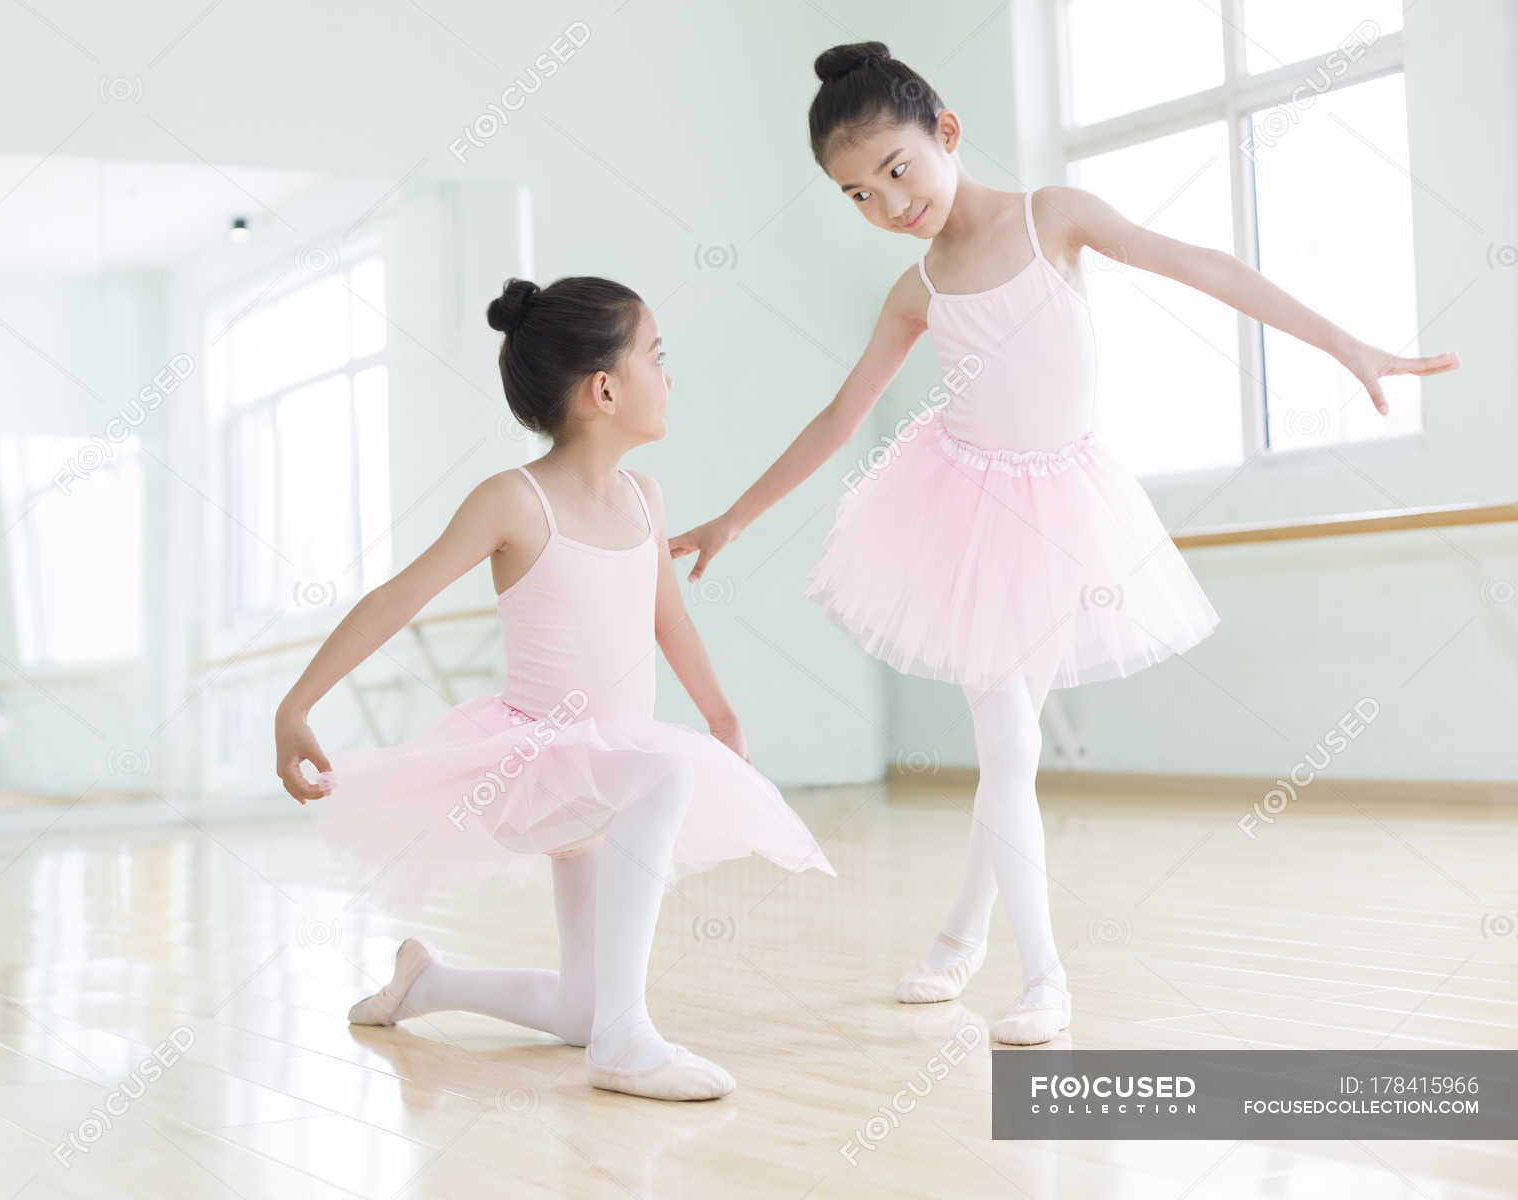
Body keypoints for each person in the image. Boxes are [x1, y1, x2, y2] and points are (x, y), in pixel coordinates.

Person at [669, 42, 1460, 1044]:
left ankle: (959, 937)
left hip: (1065, 513)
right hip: (963, 518)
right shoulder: (918, 291)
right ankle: (1043, 978)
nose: (889, 203)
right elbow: (838, 418)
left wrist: (1343, 342)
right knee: (1008, 749)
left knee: (1009, 756)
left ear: (946, 132)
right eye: (857, 195)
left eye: (897, 169)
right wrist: (734, 515)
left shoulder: (1058, 218)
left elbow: (1204, 268)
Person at [275, 275, 835, 1099]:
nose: (669, 375)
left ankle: (428, 984)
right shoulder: (514, 499)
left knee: (582, 1006)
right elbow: (400, 597)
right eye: (657, 355)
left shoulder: (644, 497)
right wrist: (296, 705)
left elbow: (667, 618)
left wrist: (721, 716)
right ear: (605, 389)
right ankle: (628, 1042)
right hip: (537, 765)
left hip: (613, 762)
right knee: (664, 775)